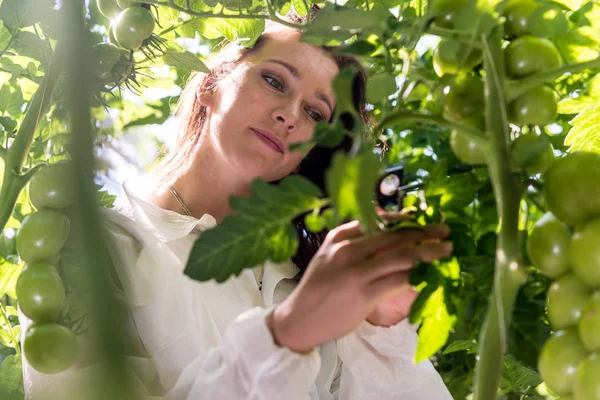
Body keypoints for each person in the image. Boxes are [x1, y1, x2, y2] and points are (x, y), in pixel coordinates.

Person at [19, 9, 455, 400]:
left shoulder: (305, 278)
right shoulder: (96, 250)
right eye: (274, 80)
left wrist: (384, 326)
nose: (290, 115)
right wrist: (286, 334)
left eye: (316, 113)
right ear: (209, 84)